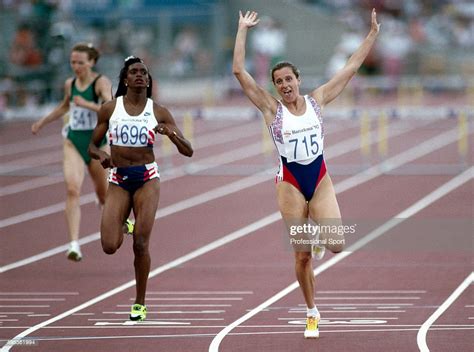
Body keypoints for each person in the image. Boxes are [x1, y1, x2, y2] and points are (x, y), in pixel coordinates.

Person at [233, 10, 380, 338]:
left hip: (320, 176)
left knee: (337, 246)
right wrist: (242, 29)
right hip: (290, 182)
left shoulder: (318, 101)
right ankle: (312, 311)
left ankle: (318, 240)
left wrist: (371, 33)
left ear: (298, 80)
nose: (284, 85)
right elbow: (239, 71)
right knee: (301, 255)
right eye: (279, 82)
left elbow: (351, 67)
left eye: (289, 79)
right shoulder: (272, 109)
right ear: (274, 87)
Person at [88, 56, 193, 321]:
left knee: (141, 244)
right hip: (119, 180)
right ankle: (126, 222)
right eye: (133, 72)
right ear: (125, 79)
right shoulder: (110, 109)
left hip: (147, 179)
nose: (139, 76)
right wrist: (101, 157)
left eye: (143, 73)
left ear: (148, 80)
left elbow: (188, 151)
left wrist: (170, 133)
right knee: (109, 246)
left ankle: (139, 302)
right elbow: (91, 145)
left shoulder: (158, 111)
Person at [31, 42, 115, 262]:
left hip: (96, 144)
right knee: (72, 189)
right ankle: (74, 244)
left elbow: (111, 109)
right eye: (73, 62)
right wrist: (42, 122)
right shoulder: (70, 83)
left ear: (92, 62)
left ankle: (107, 205)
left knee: (104, 195)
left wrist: (88, 104)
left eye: (80, 62)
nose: (76, 66)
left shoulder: (101, 82)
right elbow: (64, 106)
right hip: (74, 141)